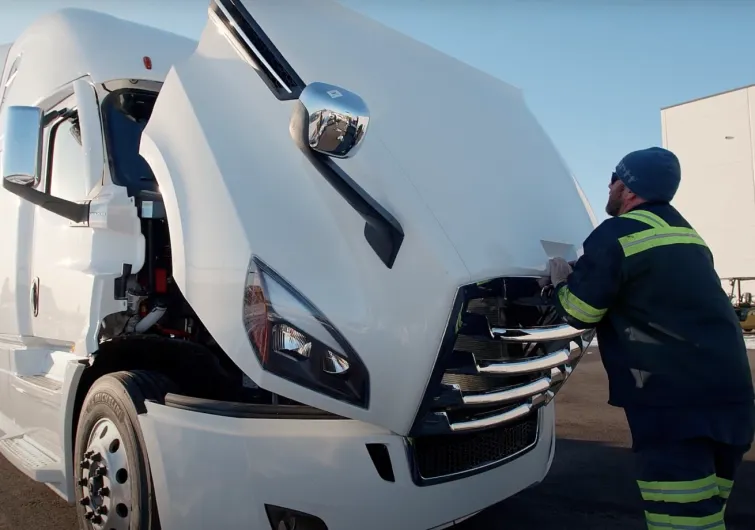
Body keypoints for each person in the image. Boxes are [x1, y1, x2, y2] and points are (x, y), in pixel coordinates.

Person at [547, 146, 755, 529]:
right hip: (732, 400)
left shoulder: (616, 233)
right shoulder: (688, 236)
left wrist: (561, 280)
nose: (607, 186)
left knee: (680, 522)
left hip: (674, 406)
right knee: (707, 515)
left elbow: (578, 312)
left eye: (613, 179)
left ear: (627, 188)